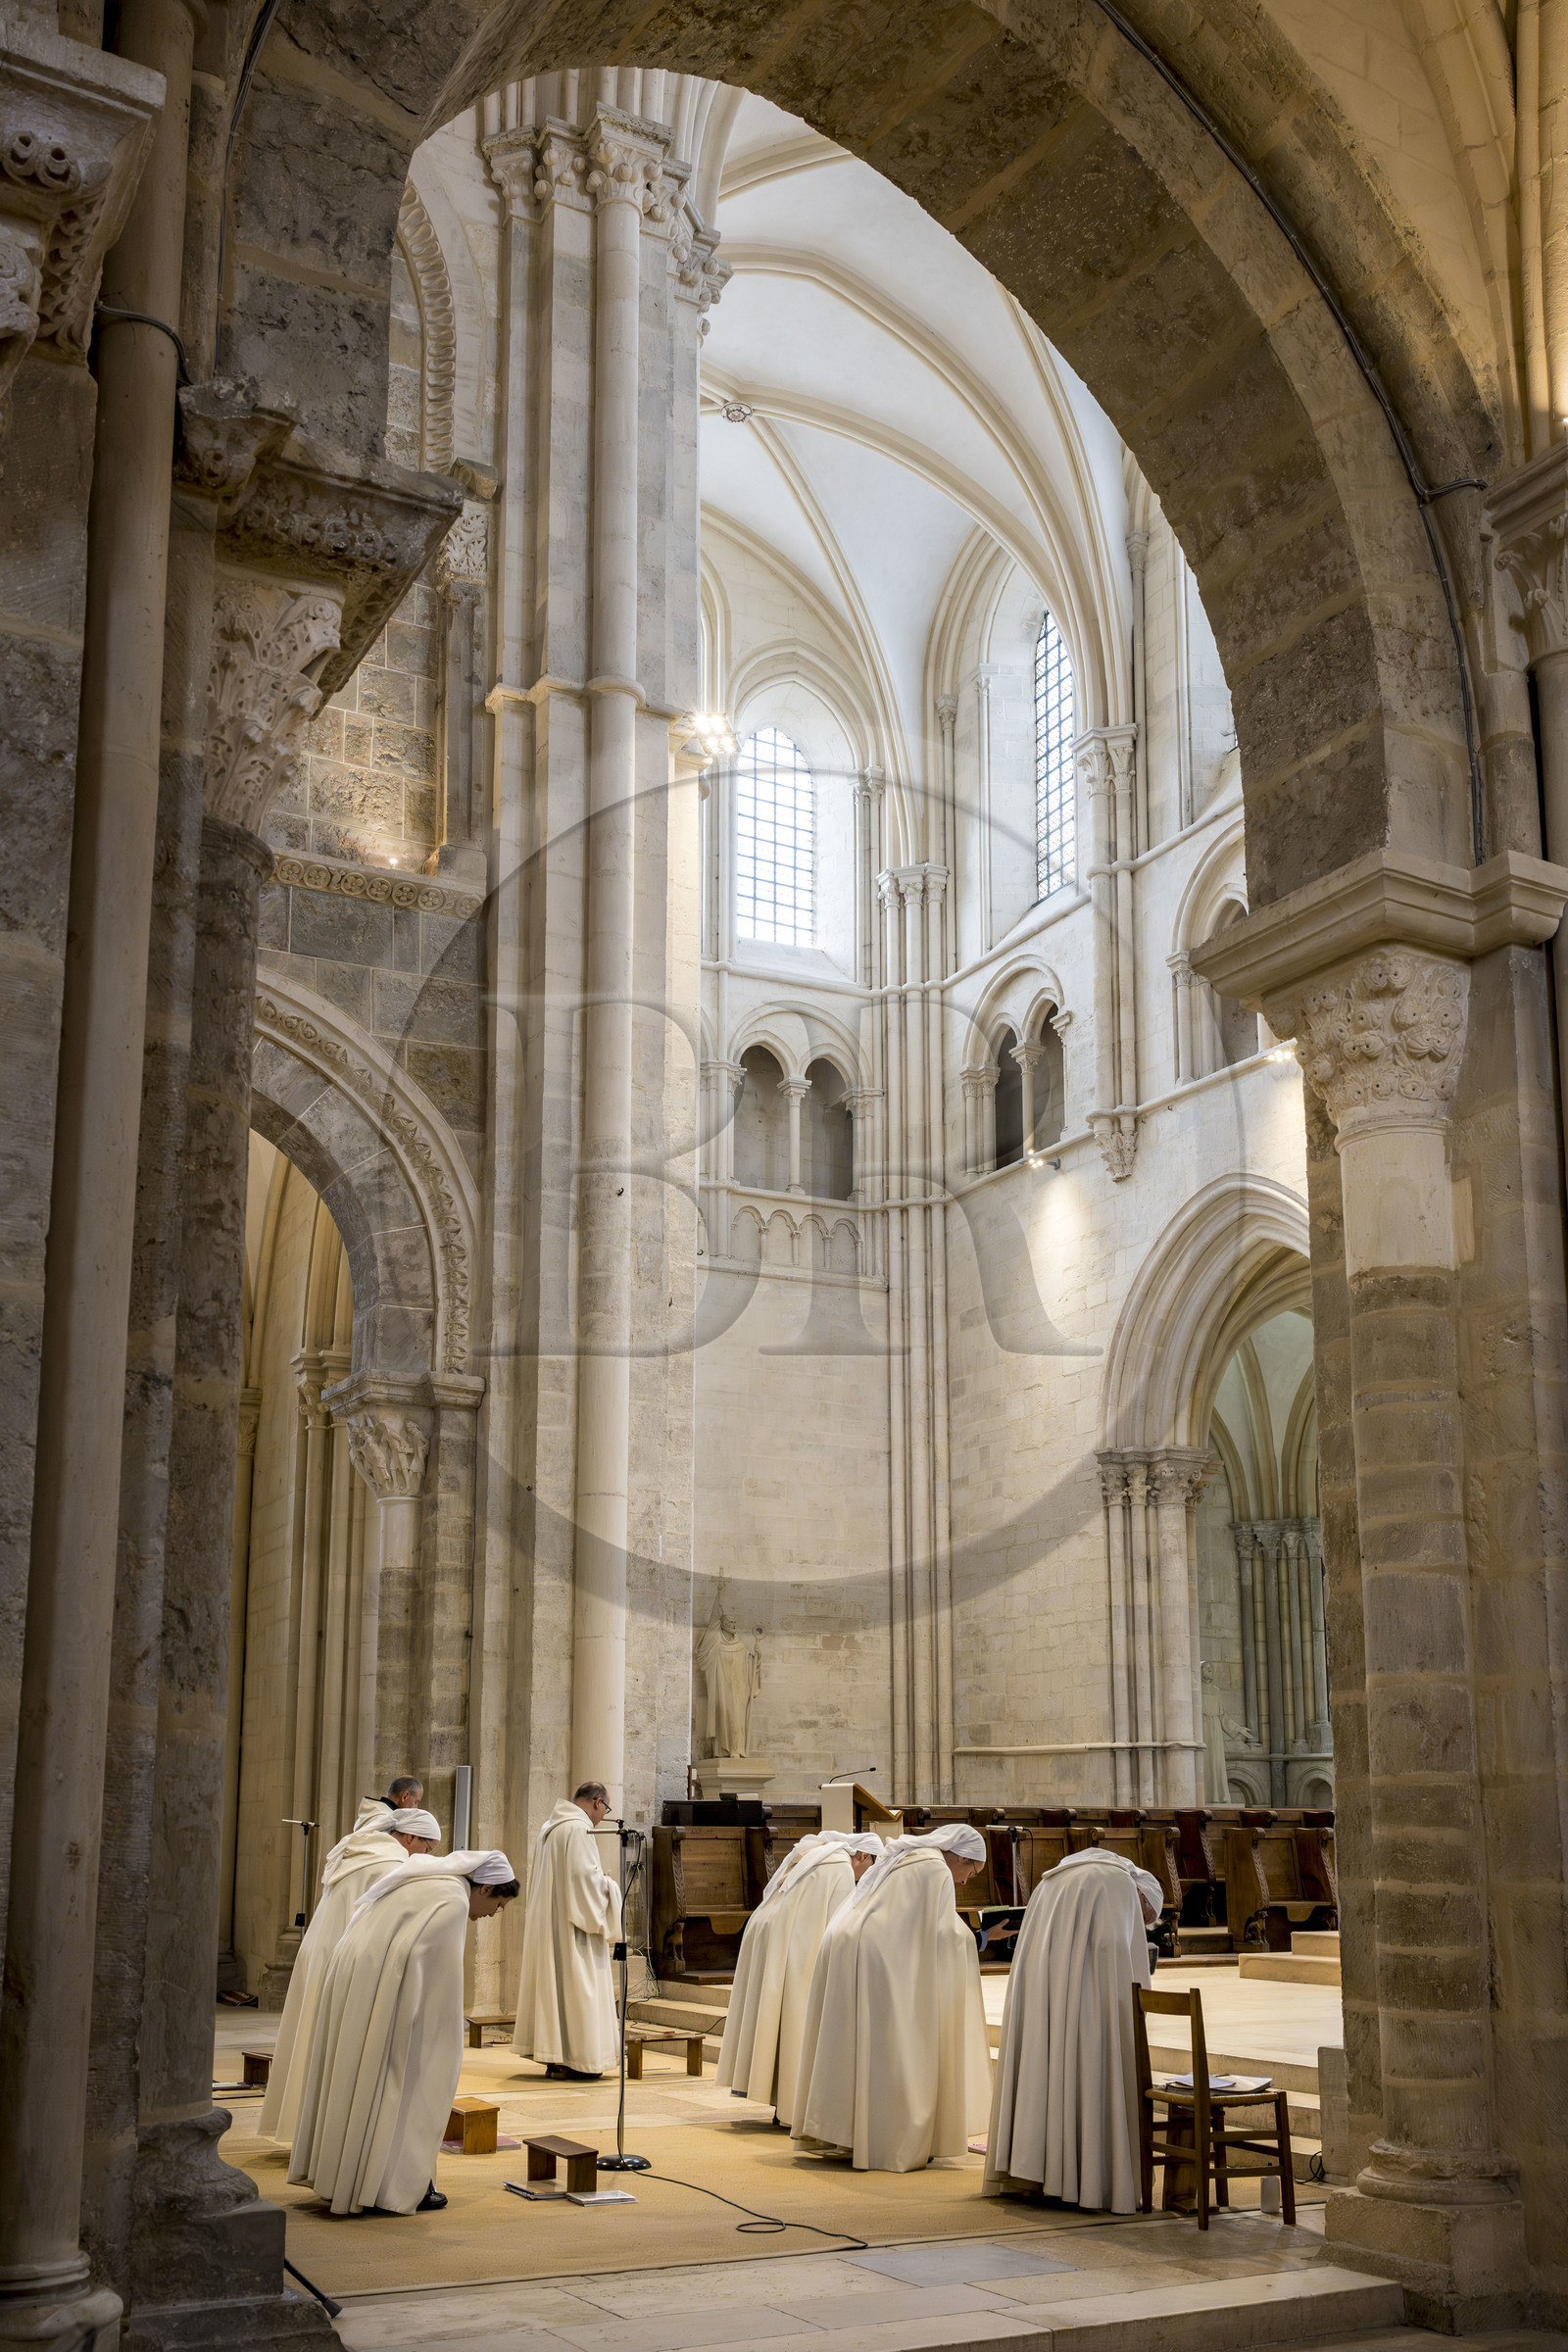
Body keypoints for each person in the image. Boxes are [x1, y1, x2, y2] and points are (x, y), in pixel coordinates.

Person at [289, 1848, 517, 2215]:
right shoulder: (453, 1901)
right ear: (486, 1889)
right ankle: (391, 2186)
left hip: (364, 1992)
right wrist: (444, 2044)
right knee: (416, 2085)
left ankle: (355, 2176)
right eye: (499, 1906)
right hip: (393, 2005)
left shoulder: (427, 1883)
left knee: (366, 2084)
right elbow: (438, 1993)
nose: (491, 1915)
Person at [791, 1825, 992, 2172]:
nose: (964, 1882)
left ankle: (847, 2132)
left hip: (850, 1947)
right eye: (970, 1873)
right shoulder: (934, 1868)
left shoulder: (907, 1856)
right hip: (878, 1960)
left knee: (853, 2048)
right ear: (960, 1856)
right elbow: (939, 1936)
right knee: (895, 2050)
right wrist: (979, 1938)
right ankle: (890, 2140)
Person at [982, 1845, 1163, 2213]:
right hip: (1089, 2006)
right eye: (1143, 1918)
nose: (1141, 1927)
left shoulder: (1055, 1879)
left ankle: (1037, 2172)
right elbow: (1114, 1952)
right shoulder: (1115, 1883)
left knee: (1049, 2076)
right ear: (1139, 1894)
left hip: (1046, 1998)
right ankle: (1087, 2180)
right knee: (1089, 2074)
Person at [259, 1804, 441, 2143]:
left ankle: (304, 2126)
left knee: (310, 2038)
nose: (426, 1856)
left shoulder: (356, 1850)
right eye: (427, 1848)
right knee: (333, 2044)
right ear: (411, 1836)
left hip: (318, 1952)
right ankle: (327, 2134)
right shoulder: (390, 1864)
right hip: (342, 1958)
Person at [718, 1831, 882, 2127]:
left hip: (770, 1933)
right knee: (798, 2025)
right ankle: (792, 2111)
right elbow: (837, 1927)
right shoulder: (841, 1866)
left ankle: (783, 2105)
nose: (864, 1877)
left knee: (781, 2025)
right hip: (794, 1947)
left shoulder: (818, 1854)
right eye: (870, 1867)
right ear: (864, 1856)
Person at [512, 1781, 622, 2081]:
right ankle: (579, 2059)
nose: (603, 1816)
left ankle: (557, 2057)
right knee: (577, 1988)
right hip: (575, 1931)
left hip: (553, 1924)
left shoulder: (551, 1828)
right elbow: (586, 1883)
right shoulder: (578, 1829)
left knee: (557, 1987)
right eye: (605, 1808)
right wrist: (612, 1888)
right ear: (597, 1802)